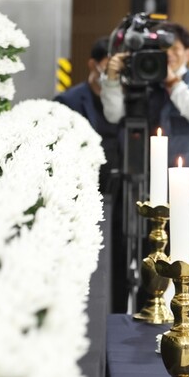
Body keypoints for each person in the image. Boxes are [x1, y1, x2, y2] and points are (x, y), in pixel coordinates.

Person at [101, 21, 189, 316]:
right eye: (163, 51)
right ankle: (149, 330)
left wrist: (172, 83)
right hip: (155, 197)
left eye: (176, 50)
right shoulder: (143, 82)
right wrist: (113, 78)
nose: (169, 56)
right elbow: (114, 113)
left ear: (188, 53)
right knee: (152, 271)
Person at [54, 36, 127, 313]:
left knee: (120, 261)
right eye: (108, 67)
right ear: (93, 64)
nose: (111, 75)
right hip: (84, 195)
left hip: (121, 193)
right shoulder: (68, 101)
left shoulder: (126, 100)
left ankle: (118, 314)